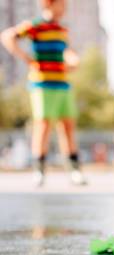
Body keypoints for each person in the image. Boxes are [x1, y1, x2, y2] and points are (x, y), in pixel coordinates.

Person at [1, 0, 86, 186]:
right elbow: (7, 36)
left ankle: (74, 171)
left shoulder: (62, 30)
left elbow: (67, 52)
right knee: (44, 125)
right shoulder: (36, 26)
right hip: (43, 84)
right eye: (61, 4)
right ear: (49, 4)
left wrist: (73, 61)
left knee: (68, 126)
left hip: (62, 84)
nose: (64, 9)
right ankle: (39, 170)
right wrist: (26, 58)